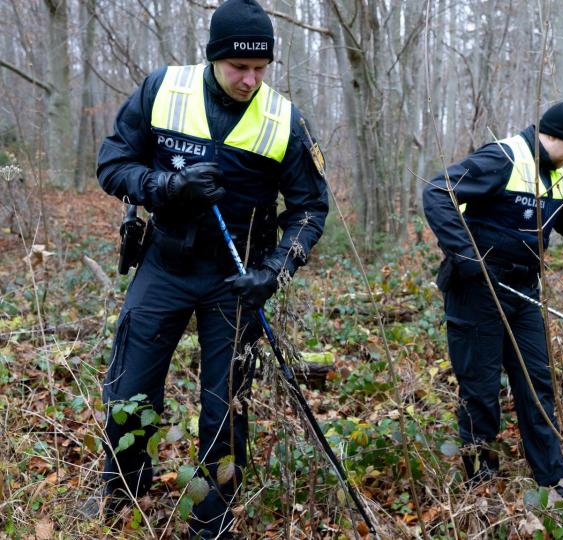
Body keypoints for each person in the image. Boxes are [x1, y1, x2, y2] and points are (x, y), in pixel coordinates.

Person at [87, 0, 329, 536]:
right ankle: (120, 491)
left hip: (237, 279)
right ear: (213, 57)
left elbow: (311, 209)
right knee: (130, 386)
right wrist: (165, 187)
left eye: (260, 69)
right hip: (165, 263)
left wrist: (274, 271)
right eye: (238, 67)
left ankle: (211, 518)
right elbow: (112, 163)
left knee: (225, 405)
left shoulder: (285, 119)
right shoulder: (162, 90)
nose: (249, 79)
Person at [422, 102, 563, 494]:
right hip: (476, 291)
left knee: (536, 382)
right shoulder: (504, 158)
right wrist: (467, 256)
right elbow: (438, 192)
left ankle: (551, 474)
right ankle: (482, 481)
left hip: (524, 292)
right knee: (480, 388)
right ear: (555, 135)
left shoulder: (557, 180)